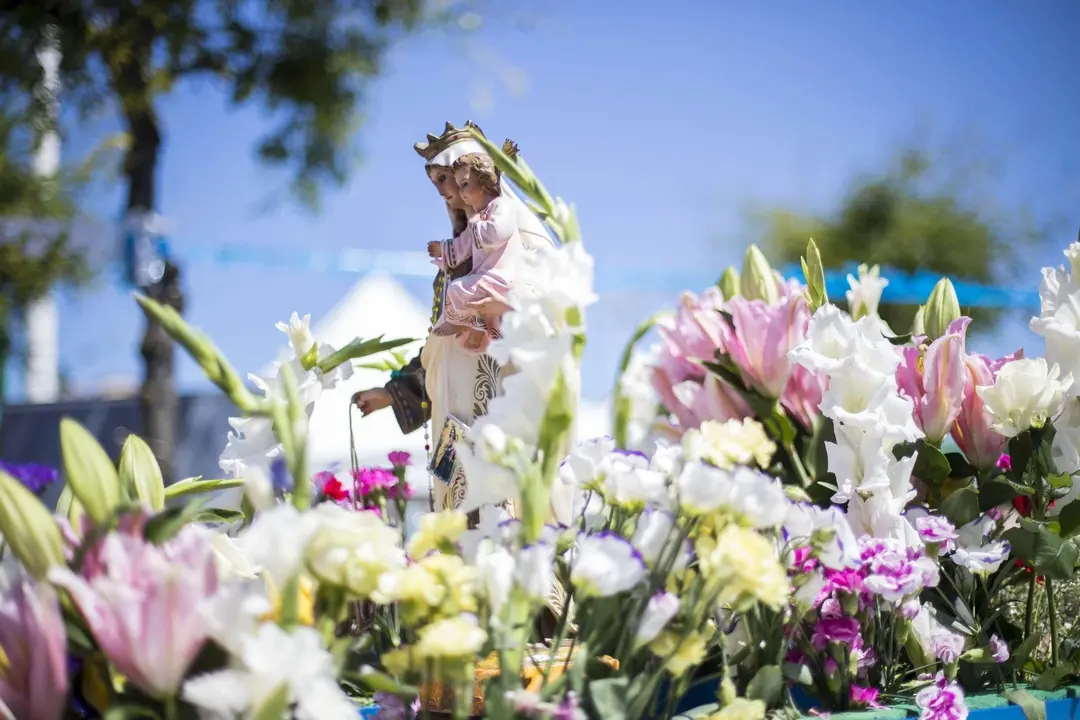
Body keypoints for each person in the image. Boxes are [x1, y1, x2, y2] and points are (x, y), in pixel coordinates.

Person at [427, 152, 522, 351]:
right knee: (457, 289)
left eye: (464, 184)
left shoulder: (502, 206)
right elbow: (465, 244)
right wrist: (444, 248)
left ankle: (474, 326)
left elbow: (497, 234)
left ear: (484, 181)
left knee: (457, 289)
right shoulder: (480, 217)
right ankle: (479, 328)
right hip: (484, 278)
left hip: (500, 278)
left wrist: (476, 223)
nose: (461, 192)